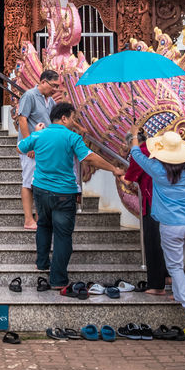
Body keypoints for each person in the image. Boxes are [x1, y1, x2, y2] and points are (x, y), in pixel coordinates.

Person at [17, 102, 124, 290]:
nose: (74, 123)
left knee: (43, 224)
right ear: (64, 118)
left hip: (40, 190)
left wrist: (36, 132)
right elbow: (88, 158)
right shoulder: (72, 137)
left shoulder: (39, 134)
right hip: (63, 194)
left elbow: (20, 148)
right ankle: (58, 280)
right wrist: (113, 168)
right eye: (73, 118)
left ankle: (42, 262)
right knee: (62, 235)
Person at [128, 129, 185, 330]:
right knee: (178, 262)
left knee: (175, 267)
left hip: (170, 225)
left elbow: (136, 154)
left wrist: (135, 136)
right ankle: (178, 296)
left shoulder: (158, 171)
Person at [123, 135, 169, 296]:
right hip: (171, 203)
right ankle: (167, 275)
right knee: (168, 243)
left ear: (131, 143)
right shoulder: (164, 153)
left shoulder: (140, 154)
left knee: (153, 242)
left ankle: (156, 285)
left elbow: (128, 180)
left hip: (152, 201)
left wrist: (120, 176)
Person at [15, 69, 59, 230]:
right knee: (28, 182)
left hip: (45, 148)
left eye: (57, 86)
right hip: (31, 147)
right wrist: (29, 144)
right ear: (43, 82)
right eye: (53, 85)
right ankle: (28, 219)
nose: (55, 89)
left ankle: (41, 217)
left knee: (42, 183)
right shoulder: (30, 96)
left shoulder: (50, 100)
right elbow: (22, 119)